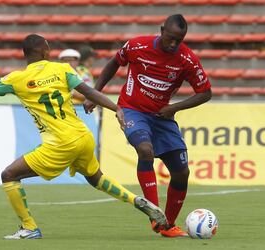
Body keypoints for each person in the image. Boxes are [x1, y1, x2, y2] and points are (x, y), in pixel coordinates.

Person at [0, 34, 168, 240]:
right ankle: (136, 199)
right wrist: (116, 108)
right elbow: (88, 92)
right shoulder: (62, 69)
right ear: (45, 52)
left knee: (9, 175)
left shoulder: (15, 79)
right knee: (96, 178)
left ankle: (29, 228)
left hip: (60, 143)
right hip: (83, 135)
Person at [84, 14, 212, 237]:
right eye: (170, 38)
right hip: (132, 110)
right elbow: (114, 63)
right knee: (145, 150)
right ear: (162, 30)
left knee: (182, 172)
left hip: (162, 116)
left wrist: (174, 108)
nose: (173, 44)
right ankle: (155, 214)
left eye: (178, 40)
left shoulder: (187, 59)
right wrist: (95, 94)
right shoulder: (137, 46)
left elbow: (205, 93)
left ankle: (168, 225)